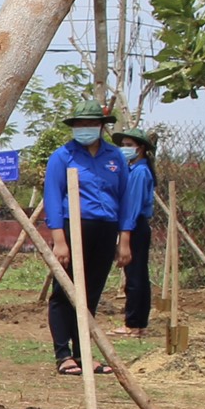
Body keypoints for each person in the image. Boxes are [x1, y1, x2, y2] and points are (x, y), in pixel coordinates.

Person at [41, 99, 138, 375]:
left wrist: (125, 239)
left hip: (106, 228)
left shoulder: (115, 157)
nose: (86, 129)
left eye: (91, 124)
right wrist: (59, 240)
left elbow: (126, 198)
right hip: (73, 227)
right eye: (81, 124)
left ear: (101, 127)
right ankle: (63, 354)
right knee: (65, 292)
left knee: (90, 293)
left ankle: (84, 353)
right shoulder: (63, 156)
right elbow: (53, 196)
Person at [112, 126, 160, 337]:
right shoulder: (133, 169)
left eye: (129, 146)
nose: (125, 149)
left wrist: (125, 235)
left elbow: (132, 207)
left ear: (140, 148)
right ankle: (137, 322)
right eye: (123, 145)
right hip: (133, 225)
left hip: (134, 225)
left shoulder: (140, 172)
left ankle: (134, 323)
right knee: (136, 273)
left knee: (135, 275)